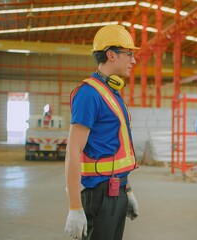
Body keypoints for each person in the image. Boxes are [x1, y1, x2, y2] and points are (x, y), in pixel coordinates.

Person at [64, 24, 139, 240]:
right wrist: (75, 208)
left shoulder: (112, 93)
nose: (133, 61)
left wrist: (128, 189)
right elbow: (73, 151)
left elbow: (116, 148)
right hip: (99, 195)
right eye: (129, 54)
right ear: (111, 55)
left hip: (117, 190)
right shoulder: (88, 94)